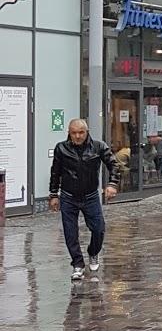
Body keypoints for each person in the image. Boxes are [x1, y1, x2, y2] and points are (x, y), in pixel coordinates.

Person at [49, 119, 119, 281]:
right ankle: (77, 264)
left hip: (90, 195)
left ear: (87, 132)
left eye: (81, 132)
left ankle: (93, 252)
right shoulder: (62, 148)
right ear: (69, 132)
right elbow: (55, 172)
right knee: (70, 232)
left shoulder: (98, 146)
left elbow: (113, 165)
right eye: (74, 133)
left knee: (99, 229)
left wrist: (112, 184)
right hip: (68, 196)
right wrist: (53, 194)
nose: (78, 136)